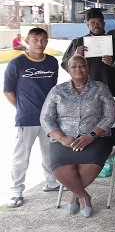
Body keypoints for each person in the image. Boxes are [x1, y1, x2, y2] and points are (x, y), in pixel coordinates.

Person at [40, 55, 115, 218]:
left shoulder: (100, 88)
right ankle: (83, 196)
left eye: (82, 66)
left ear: (88, 69)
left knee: (90, 162)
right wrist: (61, 138)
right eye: (74, 67)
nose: (78, 69)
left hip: (96, 138)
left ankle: (75, 195)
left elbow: (110, 115)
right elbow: (46, 118)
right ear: (68, 70)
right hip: (64, 138)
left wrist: (91, 136)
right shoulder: (57, 91)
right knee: (60, 166)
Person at [4, 27, 59, 208]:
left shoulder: (51, 62)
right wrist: (21, 108)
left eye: (43, 39)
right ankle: (16, 192)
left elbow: (53, 89)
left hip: (49, 119)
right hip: (26, 119)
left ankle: (51, 183)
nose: (40, 42)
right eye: (35, 39)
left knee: (49, 153)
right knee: (21, 157)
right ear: (27, 41)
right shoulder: (16, 63)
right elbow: (8, 90)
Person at [61, 8, 115, 105]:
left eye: (99, 22)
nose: (96, 25)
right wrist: (75, 55)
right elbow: (65, 63)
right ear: (88, 25)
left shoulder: (114, 43)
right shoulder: (78, 43)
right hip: (86, 87)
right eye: (92, 23)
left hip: (111, 86)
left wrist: (113, 63)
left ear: (104, 24)